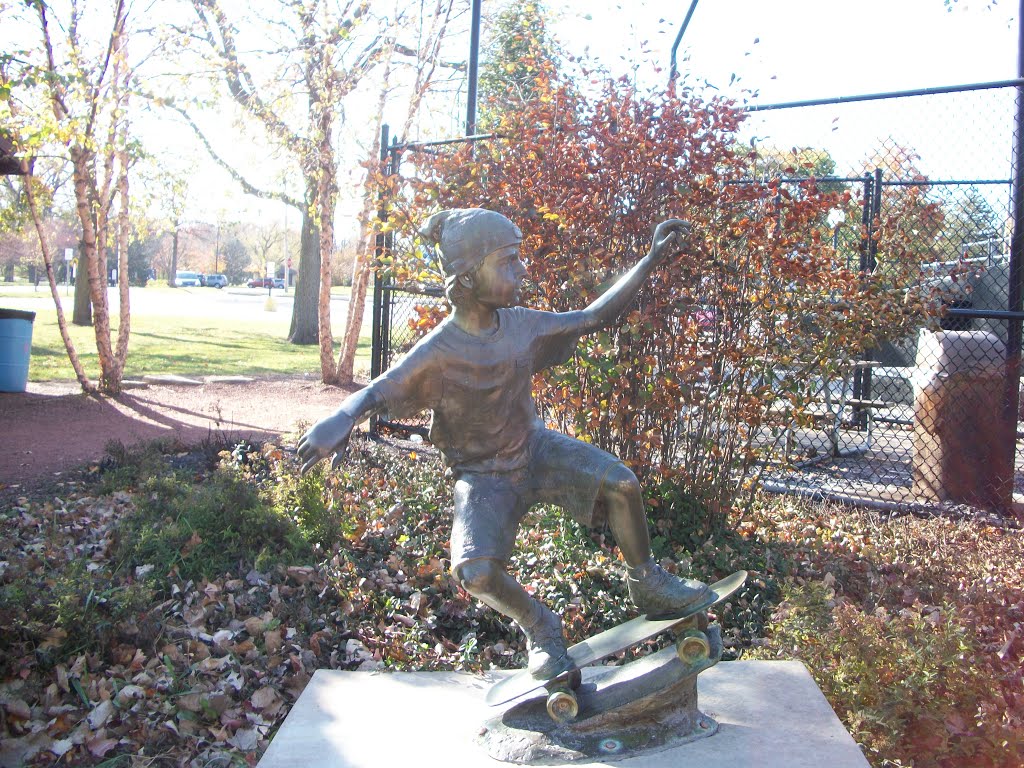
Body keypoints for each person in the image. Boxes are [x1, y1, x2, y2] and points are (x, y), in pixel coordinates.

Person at [297, 208, 709, 679]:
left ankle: (647, 582)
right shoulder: (438, 350)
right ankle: (541, 628)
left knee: (622, 484)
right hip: (483, 476)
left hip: (534, 451)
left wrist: (651, 257)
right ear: (469, 277)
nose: (522, 270)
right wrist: (340, 418)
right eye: (509, 261)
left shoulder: (522, 325)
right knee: (475, 574)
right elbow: (378, 390)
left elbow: (594, 316)